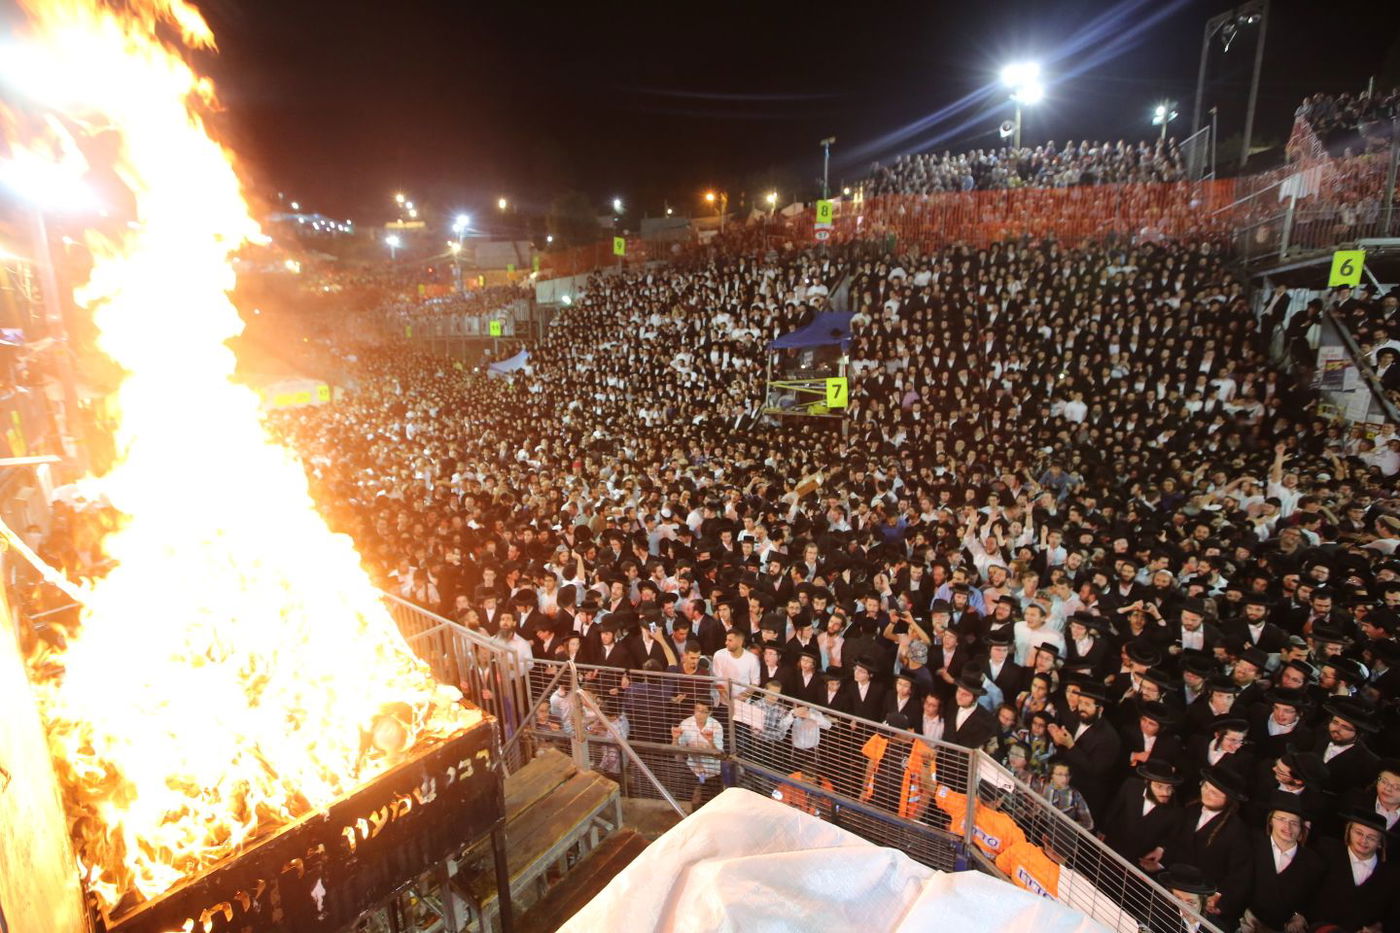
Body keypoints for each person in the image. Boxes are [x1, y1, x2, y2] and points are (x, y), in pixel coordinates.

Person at [1238, 792, 1323, 933]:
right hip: (1245, 922)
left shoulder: (1313, 863)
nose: (1287, 827)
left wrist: (1300, 915)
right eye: (1282, 819)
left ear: (1301, 828)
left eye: (1294, 823)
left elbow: (1315, 901)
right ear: (1271, 820)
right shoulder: (1251, 846)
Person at [1306, 810, 1400, 931]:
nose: (1363, 840)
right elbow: (1303, 888)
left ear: (1380, 843)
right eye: (1358, 833)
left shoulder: (1392, 875)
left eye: (1371, 837)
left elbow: (1394, 917)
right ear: (1348, 831)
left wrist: (1378, 927)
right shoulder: (1326, 852)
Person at [673, 698, 724, 811]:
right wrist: (675, 739)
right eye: (697, 710)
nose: (698, 714)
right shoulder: (686, 724)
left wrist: (710, 741)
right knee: (694, 798)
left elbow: (719, 753)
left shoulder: (716, 726)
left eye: (703, 711)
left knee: (713, 802)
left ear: (710, 713)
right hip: (693, 767)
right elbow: (676, 750)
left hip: (712, 769)